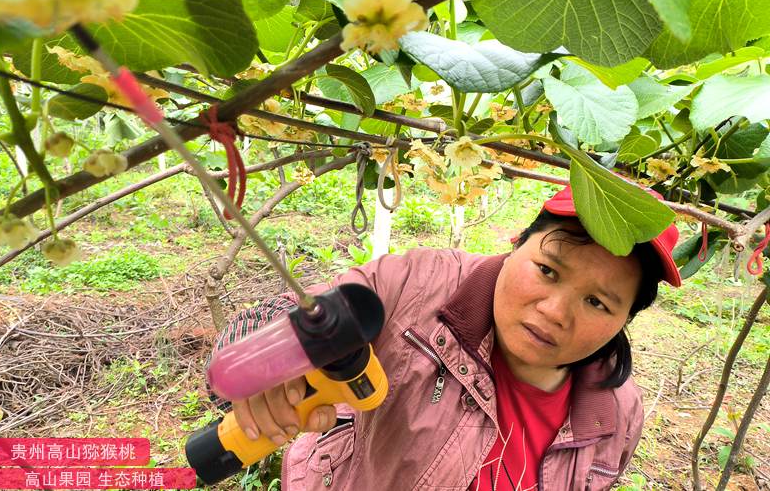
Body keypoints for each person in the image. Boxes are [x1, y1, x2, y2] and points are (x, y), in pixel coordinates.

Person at [206, 184, 682, 490]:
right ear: (516, 243)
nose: (554, 312)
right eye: (547, 270)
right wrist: (263, 364)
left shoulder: (617, 412)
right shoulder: (416, 284)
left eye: (597, 303)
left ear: (626, 319)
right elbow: (282, 314)